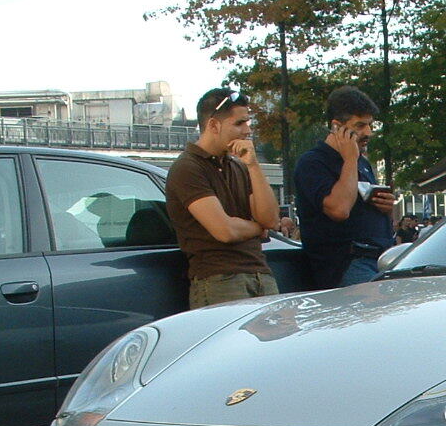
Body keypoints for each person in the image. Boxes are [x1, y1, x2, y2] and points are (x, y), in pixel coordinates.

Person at [165, 89, 280, 308]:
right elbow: (225, 231)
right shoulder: (188, 168)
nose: (247, 130)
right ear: (213, 126)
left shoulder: (239, 165)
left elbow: (271, 220)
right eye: (239, 123)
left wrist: (253, 166)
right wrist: (258, 229)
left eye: (248, 122)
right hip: (220, 280)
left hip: (261, 273)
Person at [294, 86, 397, 288]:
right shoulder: (313, 163)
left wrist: (384, 207)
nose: (368, 132)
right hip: (347, 263)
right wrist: (350, 158)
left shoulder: (362, 163)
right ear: (336, 127)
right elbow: (339, 209)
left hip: (379, 258)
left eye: (370, 125)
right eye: (359, 126)